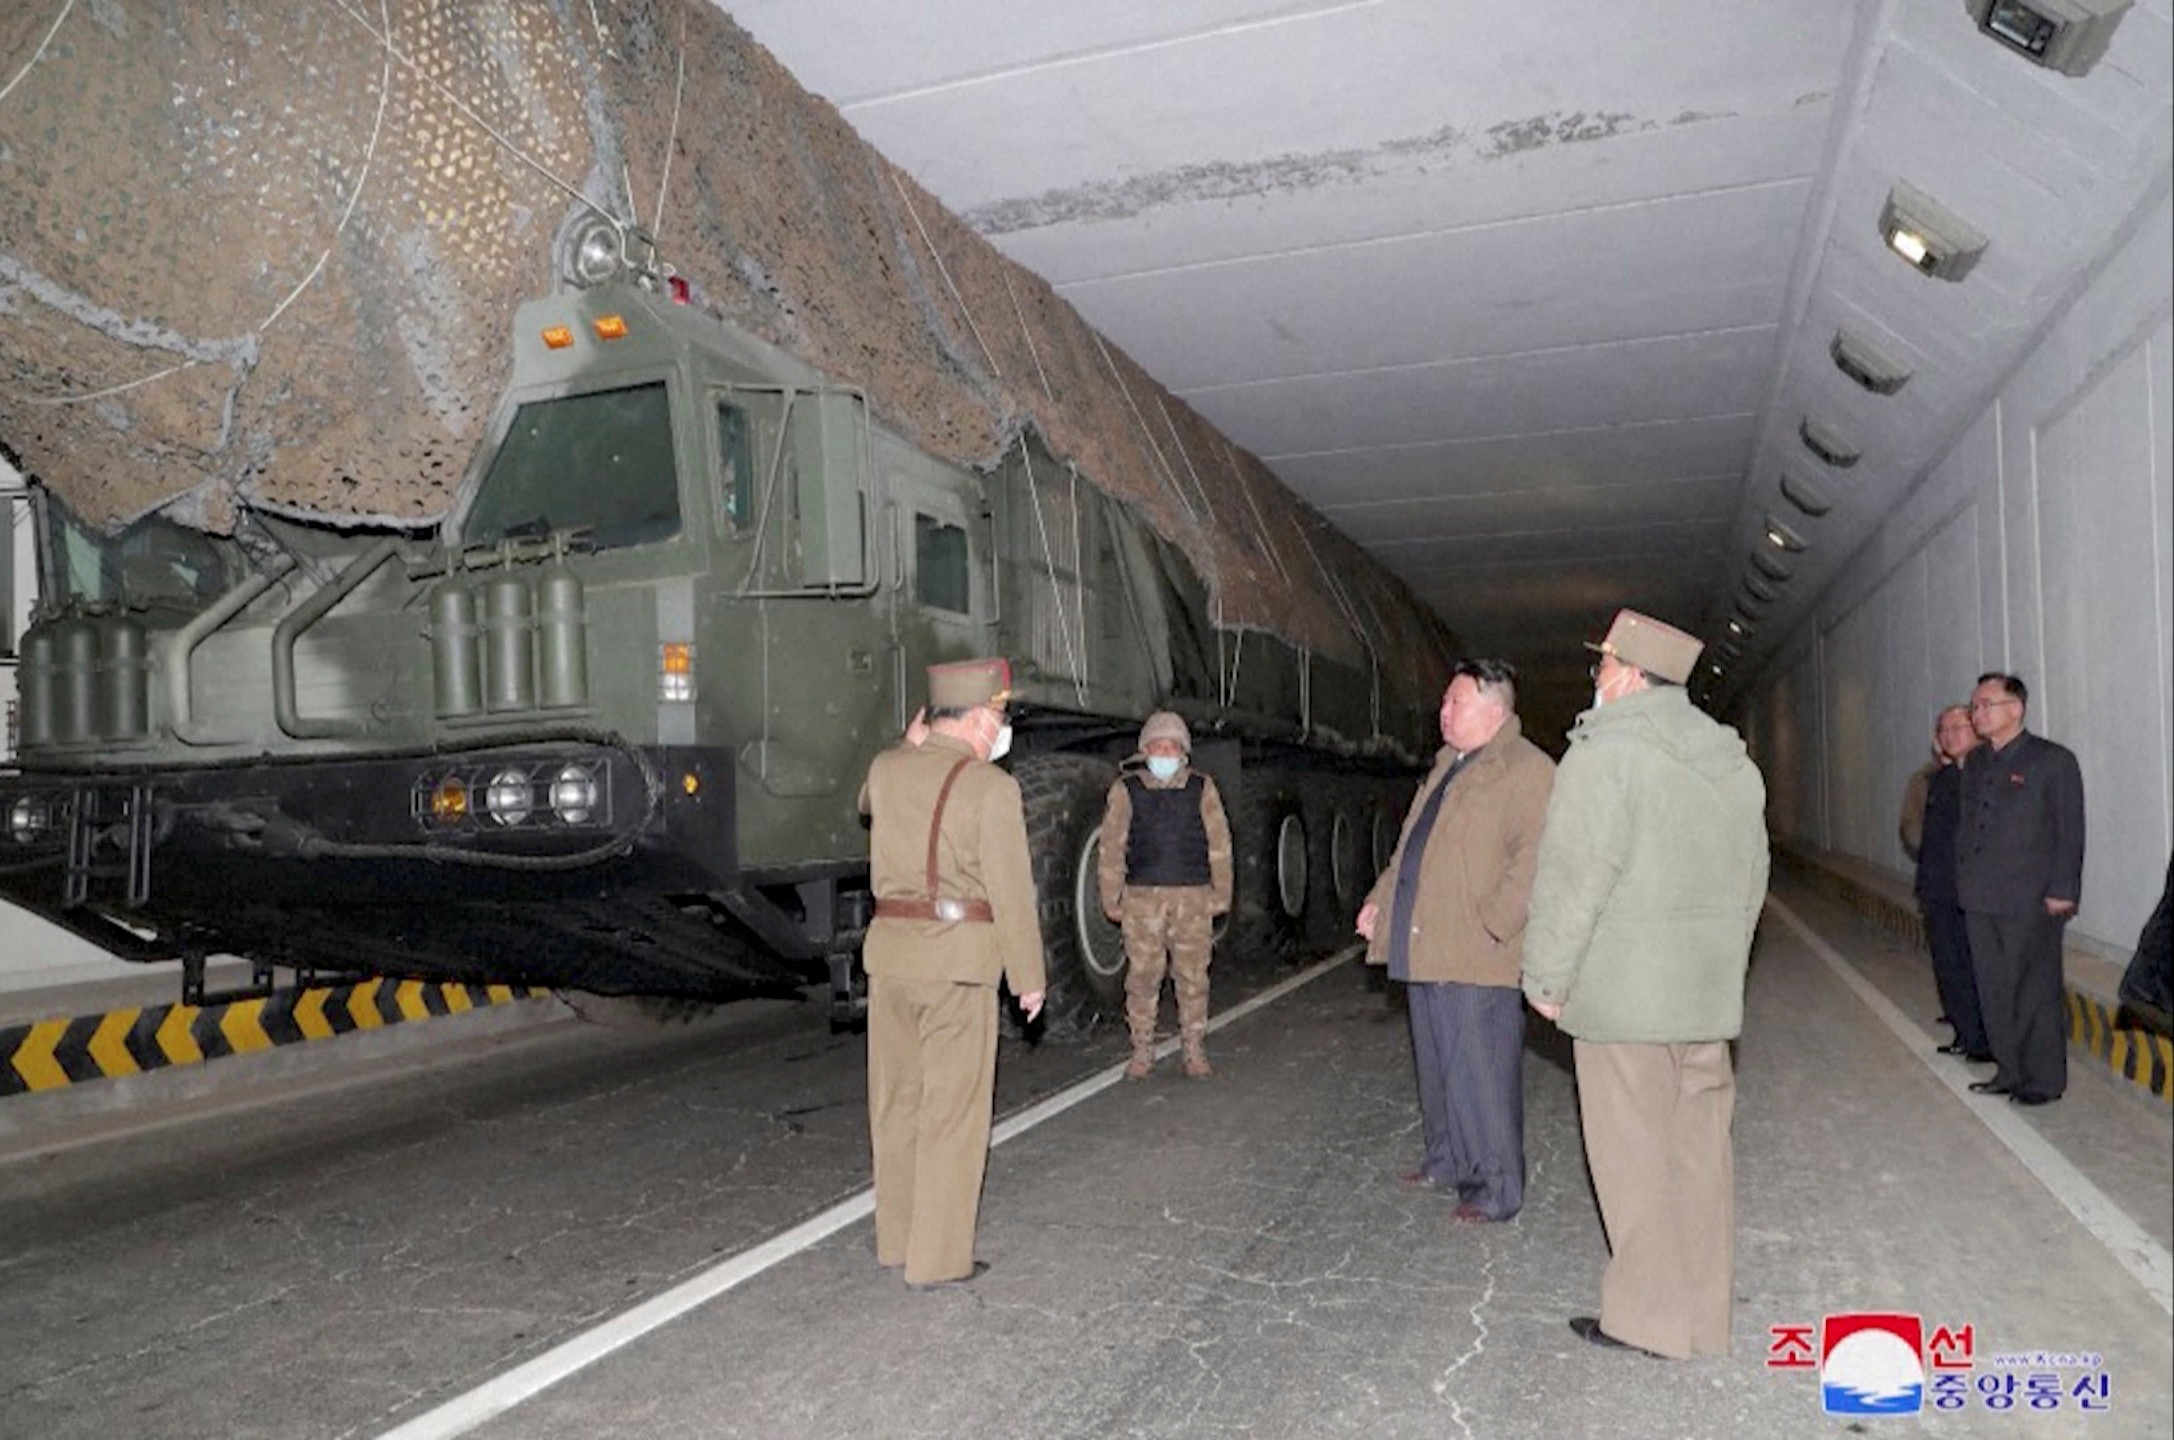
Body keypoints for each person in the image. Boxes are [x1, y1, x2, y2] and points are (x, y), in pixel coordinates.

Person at [1520, 610, 1769, 1359]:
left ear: (1628, 674)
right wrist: (1723, 966)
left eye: (1602, 666)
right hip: (1703, 998)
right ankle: (1704, 1318)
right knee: (1699, 1157)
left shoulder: (1604, 755)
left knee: (1635, 1164)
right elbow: (1753, 878)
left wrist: (1546, 977)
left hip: (1625, 999)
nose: (1595, 679)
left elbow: (1573, 880)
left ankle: (1648, 1322)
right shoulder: (1731, 761)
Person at [858, 657, 1047, 1288]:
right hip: (957, 967)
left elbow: (865, 800)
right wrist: (1029, 975)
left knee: (896, 1106)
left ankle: (895, 1240)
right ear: (970, 718)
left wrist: (908, 743)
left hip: (890, 961)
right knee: (952, 1114)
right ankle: (936, 1261)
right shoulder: (990, 788)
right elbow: (1011, 891)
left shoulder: (886, 771)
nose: (1000, 730)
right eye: (996, 717)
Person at [1356, 659, 1555, 1224]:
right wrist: (1381, 901)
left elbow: (1536, 858)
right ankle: (1447, 1158)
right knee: (1439, 1063)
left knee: (1481, 1073)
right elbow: (1409, 850)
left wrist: (1493, 922)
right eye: (1444, 702)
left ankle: (1496, 1186)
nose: (1442, 712)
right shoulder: (1448, 765)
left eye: (1455, 703)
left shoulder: (1527, 771)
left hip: (1477, 951)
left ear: (1495, 712)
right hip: (1427, 942)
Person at [1956, 672, 2085, 1108]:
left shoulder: (2052, 761)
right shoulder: (1975, 763)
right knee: (1993, 986)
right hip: (1980, 896)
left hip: (2030, 897)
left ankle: (2043, 1079)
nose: (1978, 713)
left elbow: (2070, 830)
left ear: (2016, 709)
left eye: (1986, 704)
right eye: (1975, 706)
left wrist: (2063, 888)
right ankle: (2008, 1069)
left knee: (2034, 989)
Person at [1098, 711, 1234, 1079]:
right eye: (1157, 746)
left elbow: (1218, 842)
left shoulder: (1202, 788)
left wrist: (1221, 893)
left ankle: (1194, 1048)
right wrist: (1111, 897)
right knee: (1142, 978)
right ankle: (1142, 1049)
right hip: (1142, 900)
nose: (1164, 752)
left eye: (1171, 747)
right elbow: (1112, 847)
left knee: (1192, 978)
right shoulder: (1126, 790)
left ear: (1183, 752)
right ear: (1145, 751)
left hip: (1193, 899)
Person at [1912, 705, 1990, 1063]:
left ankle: (1985, 1040)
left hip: (1971, 892)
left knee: (1974, 966)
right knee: (1949, 965)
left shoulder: (1986, 776)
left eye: (1956, 728)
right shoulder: (1941, 780)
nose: (1948, 735)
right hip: (1939, 889)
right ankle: (1965, 1032)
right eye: (1942, 729)